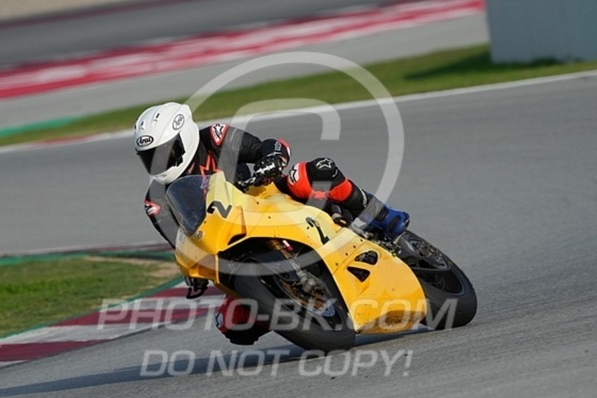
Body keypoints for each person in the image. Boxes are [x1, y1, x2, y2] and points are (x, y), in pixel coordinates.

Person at [134, 102, 409, 345]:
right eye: (150, 158)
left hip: (266, 197)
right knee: (231, 324)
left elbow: (269, 146)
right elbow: (182, 240)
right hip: (229, 243)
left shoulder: (215, 138)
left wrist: (272, 160)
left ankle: (382, 216)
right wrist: (193, 272)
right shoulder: (155, 201)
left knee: (311, 173)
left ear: (185, 137)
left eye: (164, 152)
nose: (159, 163)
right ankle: (289, 307)